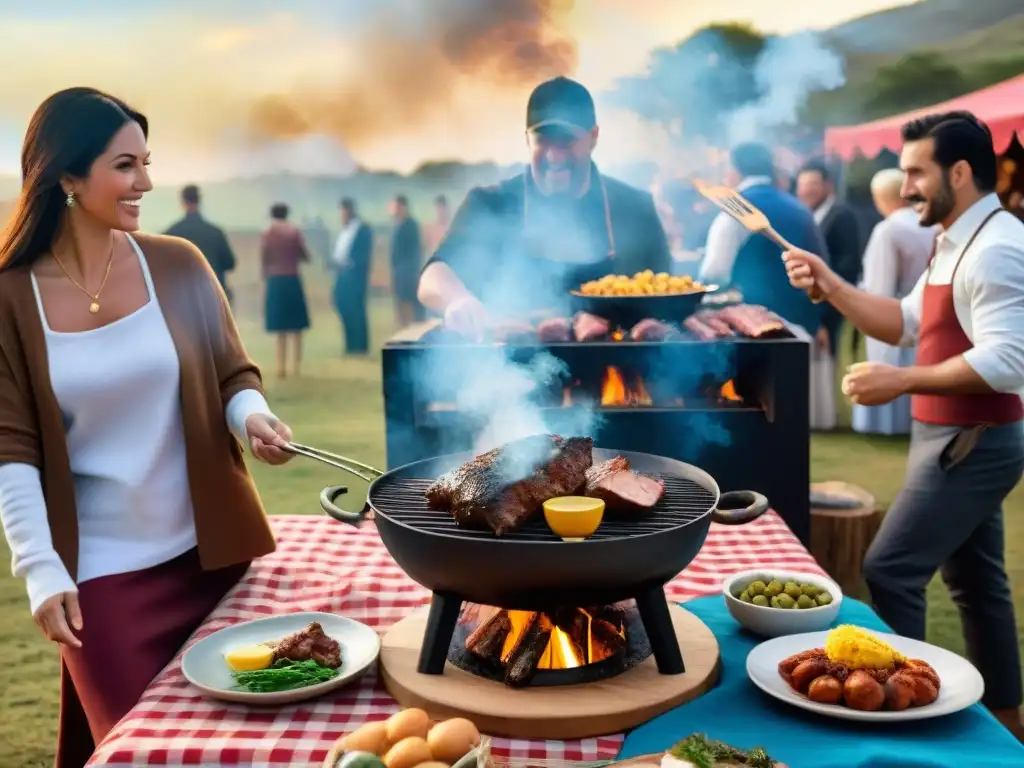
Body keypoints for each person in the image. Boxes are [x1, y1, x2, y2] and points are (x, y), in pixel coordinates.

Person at [0, 88, 296, 768]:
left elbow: (231, 375)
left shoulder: (178, 264)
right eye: (126, 165)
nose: (147, 182)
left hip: (212, 566)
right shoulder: (11, 296)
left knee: (240, 750)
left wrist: (252, 419)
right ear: (66, 177)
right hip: (101, 584)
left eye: (147, 162)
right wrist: (41, 571)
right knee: (148, 755)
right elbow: (10, 447)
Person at [783, 111, 1024, 738]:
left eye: (917, 172)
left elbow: (1008, 361)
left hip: (973, 440)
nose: (905, 184)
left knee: (890, 568)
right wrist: (830, 283)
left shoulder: (997, 245)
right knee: (976, 579)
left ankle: (899, 719)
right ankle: (1007, 715)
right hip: (950, 436)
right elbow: (900, 322)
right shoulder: (955, 238)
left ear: (961, 172)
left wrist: (900, 379)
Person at [418, 76, 672, 335]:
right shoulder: (492, 204)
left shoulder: (635, 208)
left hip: (617, 369)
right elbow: (433, 276)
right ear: (528, 140)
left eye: (566, 140)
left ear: (593, 137)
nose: (554, 155)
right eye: (543, 139)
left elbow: (669, 296)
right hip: (513, 370)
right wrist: (458, 299)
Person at [699, 142, 827, 336]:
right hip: (804, 328)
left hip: (758, 330)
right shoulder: (800, 208)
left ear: (735, 169)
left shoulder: (737, 209)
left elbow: (714, 274)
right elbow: (821, 265)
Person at [852, 168, 937, 436]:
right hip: (928, 305)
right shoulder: (931, 223)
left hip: (894, 308)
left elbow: (880, 285)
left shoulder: (888, 229)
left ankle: (886, 425)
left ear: (881, 197)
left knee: (889, 363)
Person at [795, 159, 863, 356]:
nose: (806, 191)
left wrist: (824, 319)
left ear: (828, 186)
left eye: (813, 185)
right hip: (812, 311)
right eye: (802, 186)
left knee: (827, 373)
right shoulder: (807, 217)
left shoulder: (842, 216)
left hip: (832, 311)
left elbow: (847, 267)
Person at [260, 203, 311, 378]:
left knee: (280, 327)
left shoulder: (268, 234)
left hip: (275, 280)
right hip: (292, 279)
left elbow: (264, 259)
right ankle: (296, 367)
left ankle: (280, 367)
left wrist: (265, 276)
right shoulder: (294, 233)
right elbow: (305, 256)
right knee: (296, 326)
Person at [163, 184, 237, 304]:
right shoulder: (216, 232)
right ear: (200, 201)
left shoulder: (172, 233)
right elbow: (230, 263)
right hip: (214, 296)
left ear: (182, 202)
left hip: (182, 298)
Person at [331, 197, 373, 355]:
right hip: (342, 273)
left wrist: (352, 264)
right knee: (344, 307)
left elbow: (363, 255)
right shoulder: (344, 230)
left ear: (349, 210)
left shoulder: (362, 229)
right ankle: (350, 345)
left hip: (355, 276)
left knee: (356, 310)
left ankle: (359, 346)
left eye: (342, 211)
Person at [390, 195, 425, 327]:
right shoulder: (398, 225)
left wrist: (410, 272)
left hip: (409, 274)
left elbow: (414, 252)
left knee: (411, 307)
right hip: (399, 273)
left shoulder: (411, 225)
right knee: (400, 307)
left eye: (398, 207)